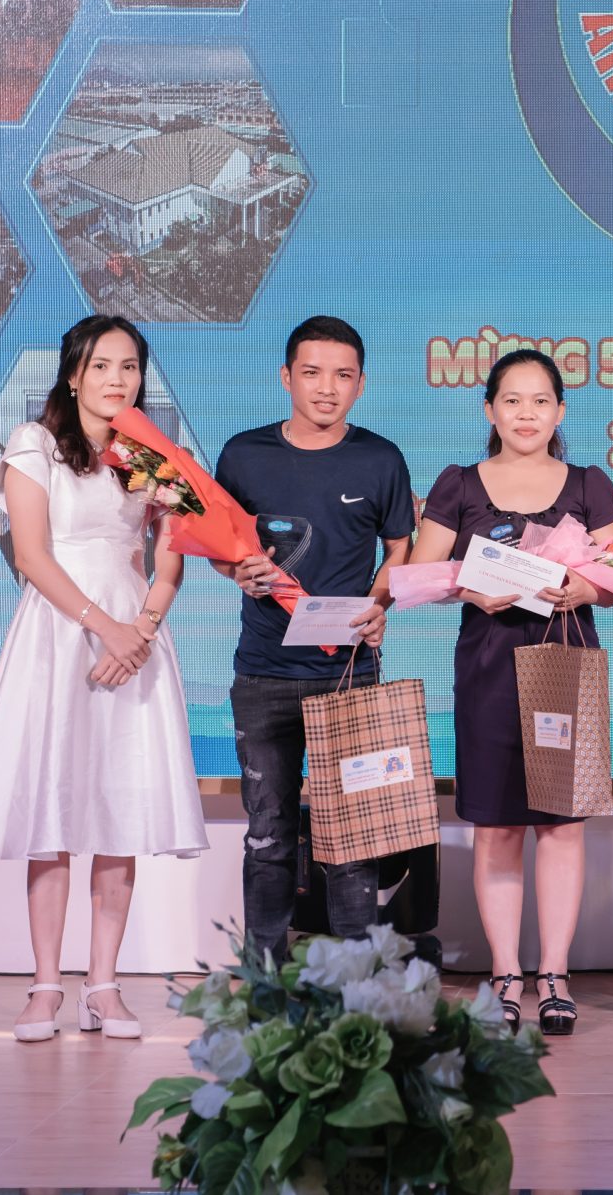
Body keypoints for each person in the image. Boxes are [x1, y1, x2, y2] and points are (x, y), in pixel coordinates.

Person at [0, 314, 207, 1042]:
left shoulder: (154, 455)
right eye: (101, 365)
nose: (117, 379)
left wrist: (139, 631)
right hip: (60, 637)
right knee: (52, 816)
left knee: (119, 814)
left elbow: (171, 560)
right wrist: (103, 626)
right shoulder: (33, 443)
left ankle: (104, 986)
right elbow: (31, 555)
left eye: (129, 367)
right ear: (72, 374)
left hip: (134, 641)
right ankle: (44, 987)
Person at [403, 348, 613, 1038]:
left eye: (540, 401)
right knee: (495, 825)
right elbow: (418, 573)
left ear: (560, 411)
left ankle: (554, 974)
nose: (527, 414)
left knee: (561, 824)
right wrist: (468, 587)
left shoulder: (589, 483)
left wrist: (584, 587)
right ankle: (505, 972)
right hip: (489, 666)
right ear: (490, 409)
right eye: (512, 400)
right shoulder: (458, 483)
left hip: (565, 660)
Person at [212, 316, 414, 963]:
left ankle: (353, 985)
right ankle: (264, 980)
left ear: (361, 384)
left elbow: (400, 548)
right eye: (312, 372)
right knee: (268, 837)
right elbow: (218, 545)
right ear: (286, 377)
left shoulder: (380, 459)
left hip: (348, 676)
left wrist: (380, 604)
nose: (327, 388)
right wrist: (236, 571)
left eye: (342, 375)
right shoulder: (243, 454)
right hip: (262, 674)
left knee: (352, 841)